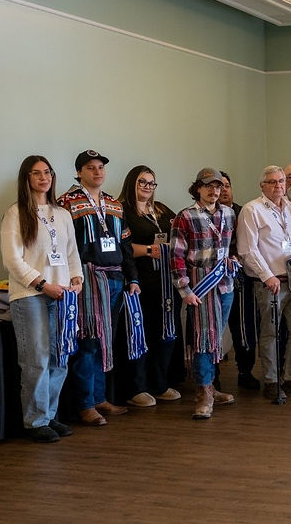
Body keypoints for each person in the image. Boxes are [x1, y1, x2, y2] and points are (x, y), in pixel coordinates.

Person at [1, 155, 83, 442]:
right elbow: (12, 259)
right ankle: (35, 422)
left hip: (62, 296)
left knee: (60, 356)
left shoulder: (61, 214)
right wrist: (43, 284)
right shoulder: (16, 213)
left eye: (47, 172)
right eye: (36, 173)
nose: (43, 177)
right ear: (27, 179)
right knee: (36, 358)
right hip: (30, 295)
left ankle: (49, 415)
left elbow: (72, 253)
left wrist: (77, 278)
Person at [57, 150, 136, 426]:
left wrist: (133, 278)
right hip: (87, 278)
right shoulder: (67, 202)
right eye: (91, 167)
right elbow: (64, 246)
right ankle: (85, 403)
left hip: (114, 278)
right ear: (79, 172)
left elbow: (125, 244)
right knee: (88, 340)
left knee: (105, 340)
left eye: (101, 167)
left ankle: (101, 397)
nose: (98, 172)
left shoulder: (114, 204)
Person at [238, 165, 291, 402]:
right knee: (270, 333)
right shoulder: (252, 210)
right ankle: (272, 380)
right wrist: (267, 276)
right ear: (262, 185)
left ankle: (290, 376)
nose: (278, 185)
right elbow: (247, 250)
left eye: (281, 181)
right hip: (270, 283)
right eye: (272, 182)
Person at [170, 168, 238, 419]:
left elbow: (229, 246)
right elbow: (176, 256)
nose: (214, 191)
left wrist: (233, 261)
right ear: (197, 188)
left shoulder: (229, 213)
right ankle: (203, 392)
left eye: (218, 187)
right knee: (203, 339)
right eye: (208, 186)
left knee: (215, 338)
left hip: (225, 283)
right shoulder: (185, 216)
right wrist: (184, 289)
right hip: (200, 284)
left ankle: (211, 385)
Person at [118, 165, 182, 407]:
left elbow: (178, 233)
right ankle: (138, 387)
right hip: (139, 281)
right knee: (140, 334)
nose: (147, 187)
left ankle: (160, 382)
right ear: (131, 183)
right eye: (142, 182)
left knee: (164, 333)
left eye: (151, 183)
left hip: (166, 283)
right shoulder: (123, 210)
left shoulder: (161, 209)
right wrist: (147, 250)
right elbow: (121, 246)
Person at [219, 171, 260, 390]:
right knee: (213, 327)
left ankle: (245, 370)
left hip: (241, 277)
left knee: (244, 326)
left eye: (227, 185)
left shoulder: (244, 212)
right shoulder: (204, 215)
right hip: (213, 279)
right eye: (219, 186)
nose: (223, 190)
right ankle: (212, 375)